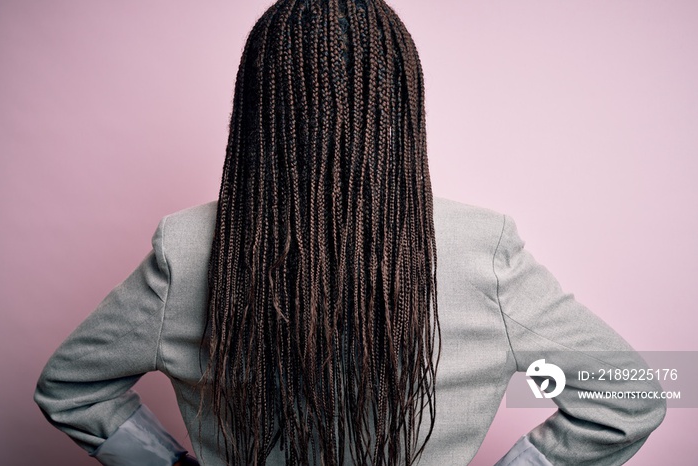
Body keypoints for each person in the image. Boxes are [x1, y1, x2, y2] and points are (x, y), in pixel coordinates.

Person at [34, 0, 666, 465]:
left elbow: (70, 388)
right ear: (399, 100)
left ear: (258, 102)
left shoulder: (187, 249)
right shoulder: (481, 247)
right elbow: (633, 394)